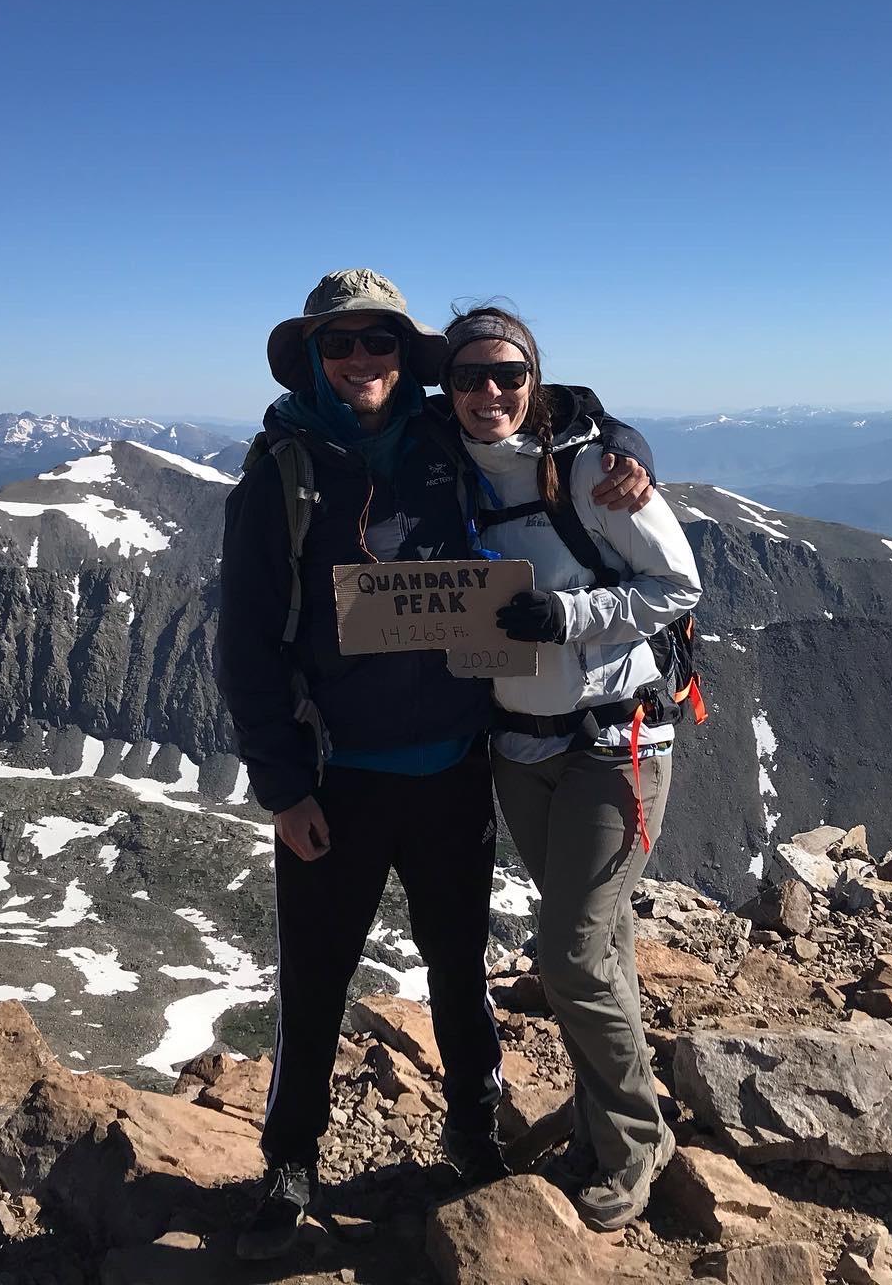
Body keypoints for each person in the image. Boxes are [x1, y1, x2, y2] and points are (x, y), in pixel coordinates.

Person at [215, 269, 655, 1261]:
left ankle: (472, 1128)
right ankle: (290, 1161)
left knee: (459, 966)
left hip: (456, 764)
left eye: (379, 341)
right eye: (339, 344)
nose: (361, 360)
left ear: (401, 355)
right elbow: (245, 647)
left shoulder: (443, 436)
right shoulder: (283, 473)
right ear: (313, 360)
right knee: (316, 975)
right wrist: (284, 787)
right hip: (339, 778)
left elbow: (554, 414)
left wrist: (630, 451)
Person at [440, 304, 702, 1232]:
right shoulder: (442, 469)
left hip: (615, 743)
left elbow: (679, 586)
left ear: (534, 379)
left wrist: (568, 617)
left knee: (572, 957)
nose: (489, 392)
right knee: (602, 947)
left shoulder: (594, 468)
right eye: (468, 376)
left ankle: (634, 1143)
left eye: (508, 375)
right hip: (521, 747)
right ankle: (600, 1119)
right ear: (446, 387)